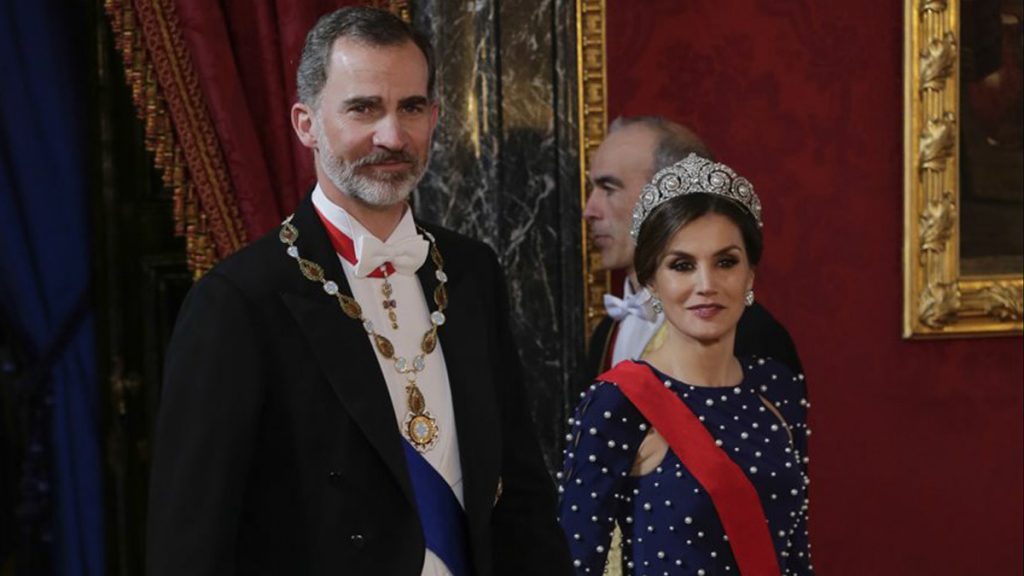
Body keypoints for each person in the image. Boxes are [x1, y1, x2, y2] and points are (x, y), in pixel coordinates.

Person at [145, 7, 571, 576]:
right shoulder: (238, 301)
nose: (392, 137)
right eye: (363, 108)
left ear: (434, 118)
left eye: (410, 108)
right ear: (307, 124)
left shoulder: (471, 272)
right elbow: (191, 540)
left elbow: (520, 491)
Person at [559, 154, 812, 575]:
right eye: (682, 265)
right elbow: (574, 563)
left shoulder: (776, 387)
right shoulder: (616, 404)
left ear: (750, 274)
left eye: (726, 262)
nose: (706, 285)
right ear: (652, 281)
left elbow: (798, 556)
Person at [579, 117, 802, 398]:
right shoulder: (607, 332)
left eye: (609, 189)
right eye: (593, 190)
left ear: (671, 200)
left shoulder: (752, 335)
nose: (590, 211)